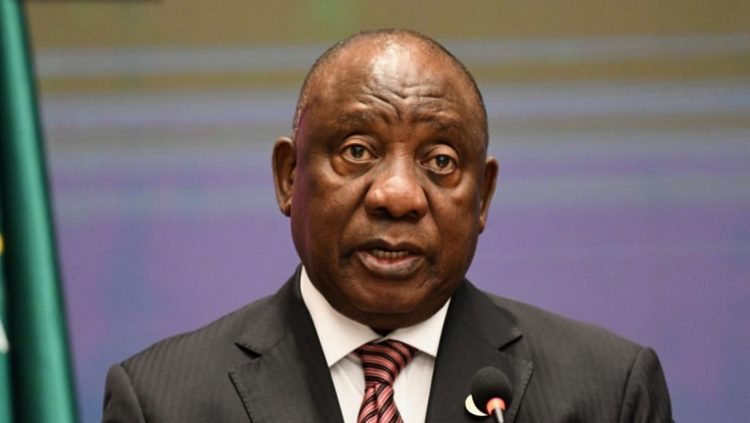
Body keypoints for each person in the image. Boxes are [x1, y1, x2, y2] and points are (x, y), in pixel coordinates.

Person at [102, 29, 672, 423]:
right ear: (288, 176)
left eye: (441, 161)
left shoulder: (608, 392)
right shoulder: (163, 400)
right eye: (357, 151)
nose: (397, 196)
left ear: (483, 197)